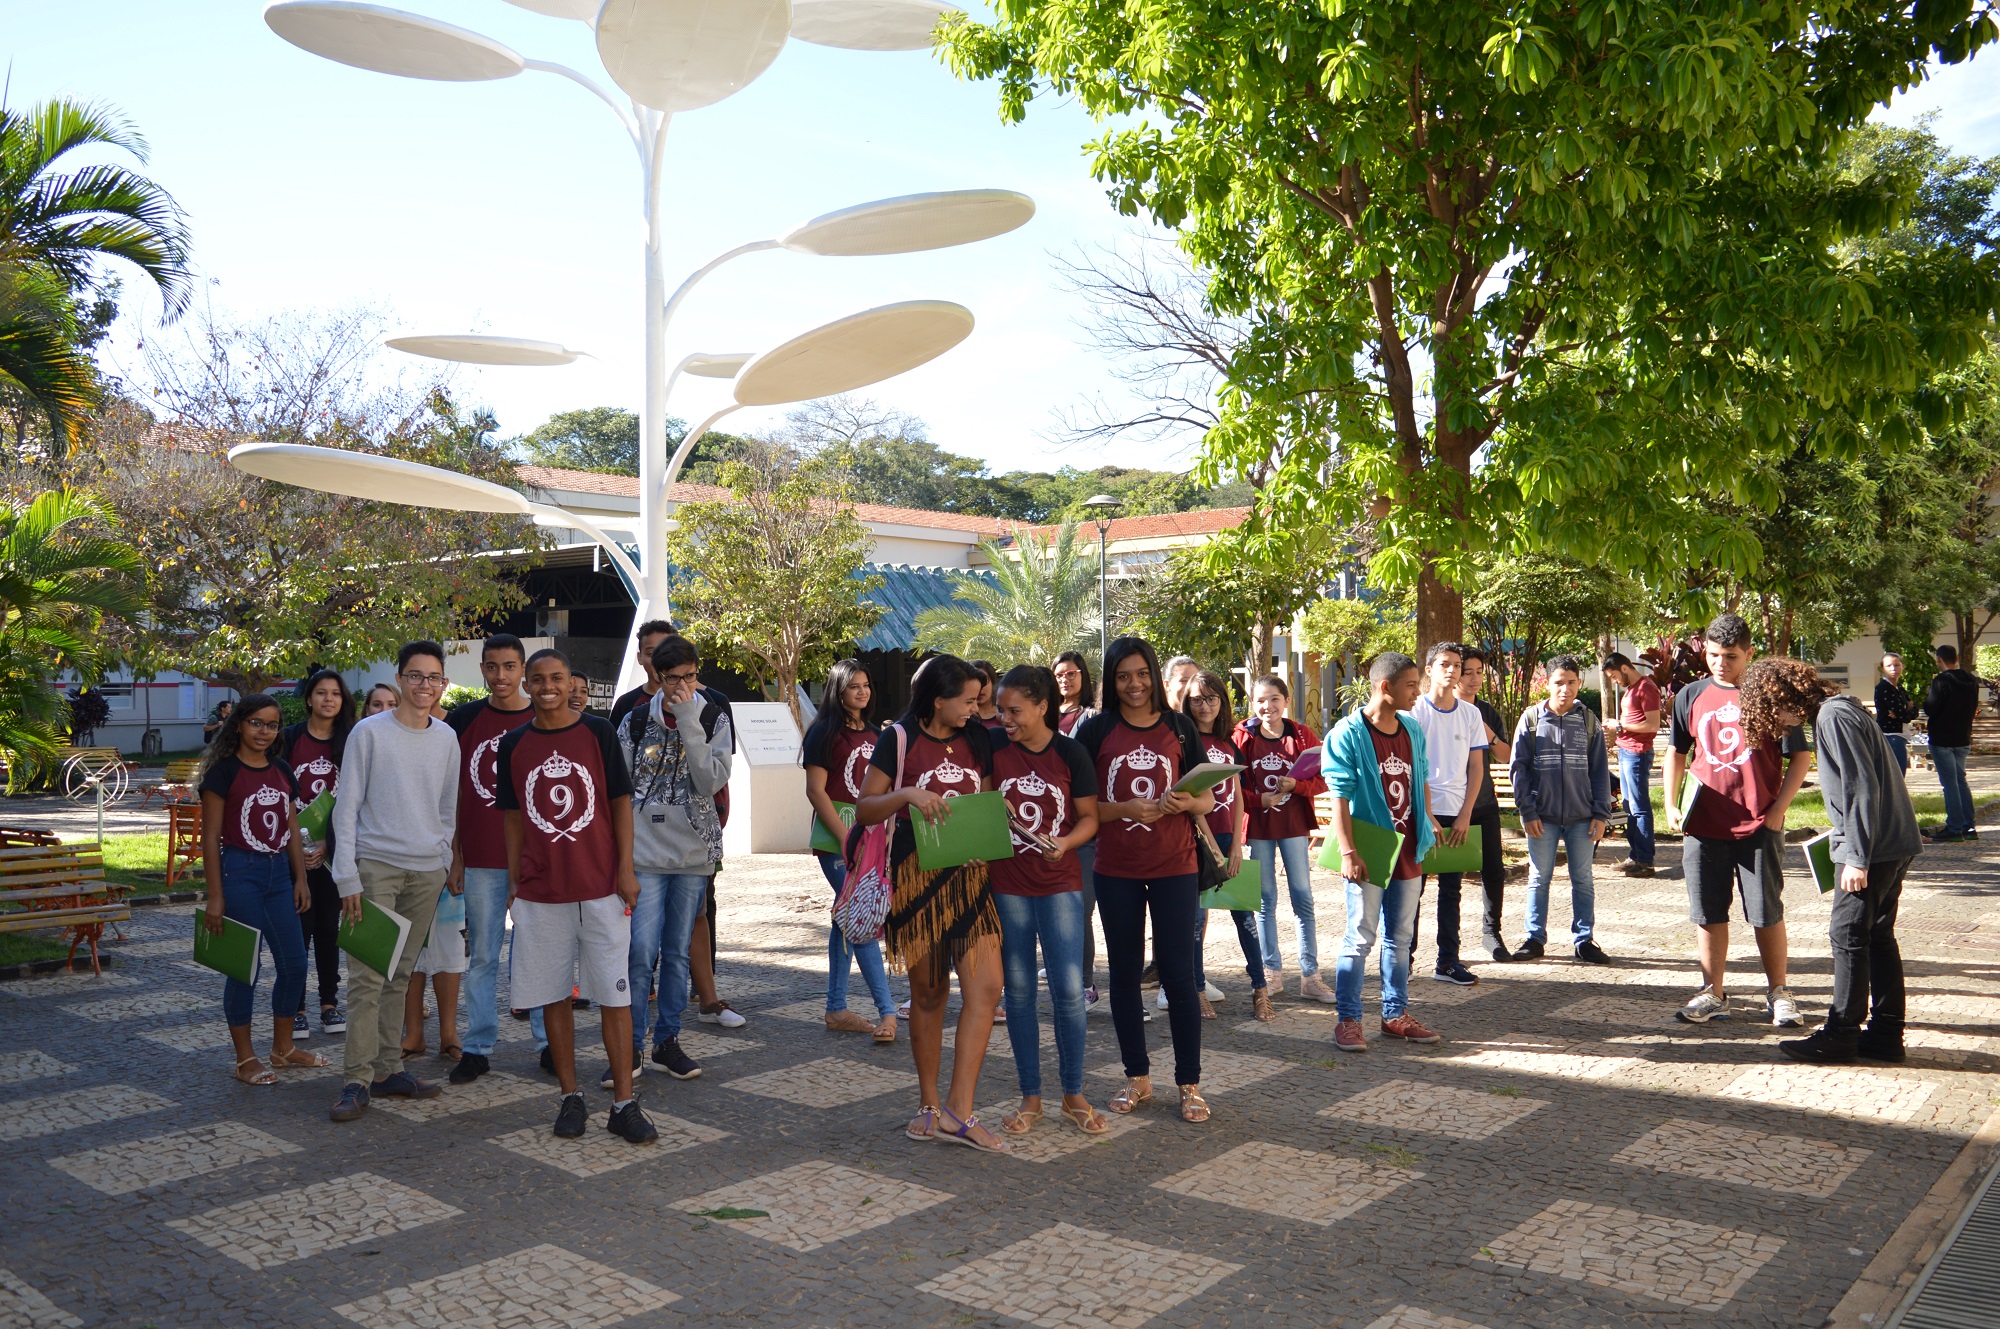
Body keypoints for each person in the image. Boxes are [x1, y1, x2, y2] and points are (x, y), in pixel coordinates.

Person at [498, 648, 656, 1143]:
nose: (548, 686)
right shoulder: (514, 744)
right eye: (538, 679)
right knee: (552, 995)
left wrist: (625, 869)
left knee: (615, 995)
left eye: (558, 678)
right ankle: (570, 1097)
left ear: (571, 683)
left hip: (602, 886)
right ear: (526, 684)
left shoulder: (598, 732)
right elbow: (513, 816)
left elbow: (620, 803)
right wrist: (512, 881)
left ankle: (624, 1102)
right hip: (542, 891)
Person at [853, 654, 1009, 1151]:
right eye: (967, 699)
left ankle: (959, 1110)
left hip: (970, 878)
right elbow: (865, 807)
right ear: (937, 699)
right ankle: (928, 1102)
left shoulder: (977, 737)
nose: (975, 706)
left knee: (987, 986)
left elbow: (982, 800)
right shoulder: (898, 738)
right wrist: (908, 795)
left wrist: (985, 831)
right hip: (916, 881)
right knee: (929, 995)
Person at [1741, 660, 1921, 1065]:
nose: (1780, 723)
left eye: (1772, 711)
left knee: (1847, 936)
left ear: (1781, 696)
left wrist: (1856, 856)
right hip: (1892, 841)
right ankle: (1886, 1034)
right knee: (1876, 937)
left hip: (1872, 849)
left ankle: (1841, 1034)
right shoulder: (1842, 707)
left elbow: (1860, 788)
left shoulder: (1833, 715)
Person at [1074, 637, 1217, 1124]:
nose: (1133, 685)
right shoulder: (1096, 730)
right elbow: (1083, 805)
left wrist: (1187, 803)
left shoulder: (1179, 728)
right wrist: (1124, 810)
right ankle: (1137, 1077)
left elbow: (1208, 801)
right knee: (1125, 976)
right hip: (1116, 870)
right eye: (1122, 676)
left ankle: (1189, 1083)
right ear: (1111, 682)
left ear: (1154, 675)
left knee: (1179, 976)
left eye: (1140, 674)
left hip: (1177, 866)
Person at [326, 641, 460, 1122]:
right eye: (416, 675)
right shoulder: (369, 733)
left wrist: (442, 857)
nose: (425, 685)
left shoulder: (446, 737)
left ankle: (386, 1070)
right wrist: (347, 877)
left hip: (426, 872)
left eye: (433, 677)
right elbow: (347, 808)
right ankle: (356, 1079)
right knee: (367, 975)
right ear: (400, 678)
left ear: (442, 683)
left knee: (400, 974)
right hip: (375, 868)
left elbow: (448, 807)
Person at [1664, 613, 1809, 1027]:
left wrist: (1778, 811)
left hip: (1758, 826)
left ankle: (1779, 992)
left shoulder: (1769, 696)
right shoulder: (1689, 695)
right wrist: (1671, 805)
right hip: (1704, 825)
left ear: (1749, 653)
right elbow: (1676, 752)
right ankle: (1713, 993)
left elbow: (1799, 756)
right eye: (1712, 655)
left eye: (1730, 656)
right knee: (1708, 912)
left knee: (1766, 911)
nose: (1720, 663)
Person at [608, 620, 743, 1031]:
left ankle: (668, 1037)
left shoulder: (713, 716)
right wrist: (621, 859)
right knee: (641, 949)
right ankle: (632, 1044)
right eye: (673, 678)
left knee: (679, 952)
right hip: (645, 852)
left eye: (690, 676)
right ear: (657, 676)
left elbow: (709, 781)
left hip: (693, 852)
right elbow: (619, 792)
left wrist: (688, 718)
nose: (683, 684)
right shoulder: (632, 720)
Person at [990, 665, 1107, 1136]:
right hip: (1008, 884)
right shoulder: (994, 749)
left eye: (1014, 710)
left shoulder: (1071, 752)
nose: (1005, 719)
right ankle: (1031, 1096)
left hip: (1061, 882)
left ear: (1042, 707)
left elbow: (1089, 818)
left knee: (1068, 992)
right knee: (1017, 993)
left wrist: (1066, 842)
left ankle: (1073, 1093)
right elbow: (976, 804)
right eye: (1000, 710)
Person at [200, 694, 328, 1084]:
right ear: (238, 724)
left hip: (278, 876)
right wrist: (216, 896)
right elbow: (209, 839)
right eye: (256, 722)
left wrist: (301, 878)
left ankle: (283, 1049)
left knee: (294, 965)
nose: (264, 731)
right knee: (245, 968)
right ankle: (245, 1059)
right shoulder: (222, 773)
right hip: (240, 873)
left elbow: (291, 829)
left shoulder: (283, 771)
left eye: (272, 725)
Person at [1323, 652, 1439, 1053]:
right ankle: (1349, 1020)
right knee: (1360, 936)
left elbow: (1420, 775)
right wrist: (1348, 851)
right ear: (1384, 686)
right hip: (1369, 851)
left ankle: (1395, 1015)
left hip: (1409, 849)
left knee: (1400, 937)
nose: (1417, 693)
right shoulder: (1347, 734)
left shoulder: (1411, 728)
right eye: (1411, 685)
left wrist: (1428, 822)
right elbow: (1338, 796)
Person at [441, 634, 536, 1086]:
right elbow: (452, 795)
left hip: (535, 863)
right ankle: (477, 1047)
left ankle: (547, 1043)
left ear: (522, 670)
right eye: (492, 667)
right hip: (480, 860)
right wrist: (455, 856)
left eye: (510, 666)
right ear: (482, 669)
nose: (501, 676)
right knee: (481, 956)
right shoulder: (462, 720)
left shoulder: (543, 716)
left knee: (538, 953)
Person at [801, 658, 897, 1042]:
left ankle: (836, 1007)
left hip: (871, 839)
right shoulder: (823, 733)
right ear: (838, 690)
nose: (862, 692)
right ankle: (887, 1011)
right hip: (836, 840)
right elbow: (815, 791)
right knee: (859, 919)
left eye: (866, 685)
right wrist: (846, 838)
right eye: (853, 686)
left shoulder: (877, 735)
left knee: (845, 916)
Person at [1508, 656, 1613, 965]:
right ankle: (1534, 938)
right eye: (1558, 683)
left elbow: (1599, 771)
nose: (1565, 689)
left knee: (1583, 878)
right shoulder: (1531, 719)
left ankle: (1584, 940)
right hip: (1543, 817)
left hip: (1583, 818)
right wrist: (1528, 811)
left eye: (1571, 682)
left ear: (1579, 683)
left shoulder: (1588, 720)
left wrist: (1601, 813)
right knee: (1539, 877)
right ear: (1547, 683)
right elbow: (1519, 769)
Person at [1183, 670, 1271, 1021]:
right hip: (1195, 844)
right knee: (1194, 921)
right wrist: (1211, 845)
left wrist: (1236, 844)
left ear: (1222, 701)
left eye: (1211, 698)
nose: (1204, 706)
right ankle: (1198, 990)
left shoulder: (1229, 743)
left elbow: (1236, 795)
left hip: (1228, 840)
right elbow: (1190, 797)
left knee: (1245, 917)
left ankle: (1260, 990)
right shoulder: (1184, 742)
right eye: (1197, 699)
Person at [1235, 675, 1328, 999]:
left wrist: (1297, 787)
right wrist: (1258, 799)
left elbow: (1324, 776)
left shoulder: (1301, 735)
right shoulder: (1242, 736)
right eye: (1261, 700)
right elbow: (1233, 786)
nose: (1268, 706)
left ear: (1285, 701)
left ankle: (1310, 976)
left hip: (1293, 827)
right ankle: (1271, 972)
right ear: (1253, 703)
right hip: (1260, 828)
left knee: (1303, 899)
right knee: (1264, 902)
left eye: (1274, 699)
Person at [280, 669, 353, 1039]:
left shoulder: (352, 740)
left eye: (336, 694)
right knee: (298, 931)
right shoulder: (289, 738)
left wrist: (330, 843)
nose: (328, 699)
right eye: (321, 693)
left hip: (334, 852)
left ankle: (328, 1003)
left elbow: (359, 799)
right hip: (294, 850)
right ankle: (295, 1009)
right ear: (308, 698)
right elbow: (277, 793)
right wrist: (299, 846)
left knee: (328, 928)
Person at [1411, 643, 1488, 984]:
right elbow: (1413, 768)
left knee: (1452, 891)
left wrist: (1464, 814)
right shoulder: (1413, 712)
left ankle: (1447, 961)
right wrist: (1425, 814)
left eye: (1457, 665)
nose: (1452, 670)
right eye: (1444, 664)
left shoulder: (1471, 714)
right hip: (1420, 814)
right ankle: (1403, 959)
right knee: (1412, 889)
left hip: (1457, 814)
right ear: (1428, 669)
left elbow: (1476, 767)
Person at [1455, 649, 1514, 962]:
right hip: (1449, 805)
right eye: (1468, 672)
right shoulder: (1439, 710)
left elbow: (1506, 755)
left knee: (1494, 870)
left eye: (1479, 671)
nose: (1475, 678)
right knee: (1447, 877)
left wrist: (1485, 730)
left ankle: (1491, 932)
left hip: (1484, 804)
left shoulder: (1486, 712)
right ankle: (1441, 948)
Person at [1052, 648, 1101, 1007]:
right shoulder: (1043, 717)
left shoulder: (1093, 718)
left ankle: (1086, 983)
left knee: (1081, 908)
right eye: (1059, 675)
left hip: (1083, 823)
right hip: (1047, 822)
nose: (1066, 680)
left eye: (1072, 674)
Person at [1603, 651, 1661, 877]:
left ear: (1625, 668)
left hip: (1638, 754)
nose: (1615, 681)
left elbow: (1652, 725)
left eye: (1615, 676)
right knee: (1629, 805)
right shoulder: (1631, 690)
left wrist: (1620, 726)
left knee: (1639, 808)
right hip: (1627, 752)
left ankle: (1646, 861)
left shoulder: (1647, 688)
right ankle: (1635, 856)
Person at [1923, 644, 1980, 842]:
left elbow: (1930, 708)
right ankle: (1969, 826)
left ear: (1939, 660)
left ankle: (1954, 828)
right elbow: (1973, 706)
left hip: (1942, 739)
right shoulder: (1970, 680)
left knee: (1950, 784)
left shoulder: (1941, 681)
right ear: (1956, 658)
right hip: (1963, 736)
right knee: (1961, 781)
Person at [1874, 653, 1917, 774]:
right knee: (1896, 775)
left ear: (1902, 666)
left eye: (1897, 665)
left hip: (1900, 734)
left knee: (1898, 775)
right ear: (1883, 668)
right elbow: (1905, 716)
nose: (1893, 669)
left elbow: (1913, 711)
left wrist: (1906, 711)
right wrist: (1905, 712)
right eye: (1889, 665)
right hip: (1890, 735)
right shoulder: (1883, 687)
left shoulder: (1899, 687)